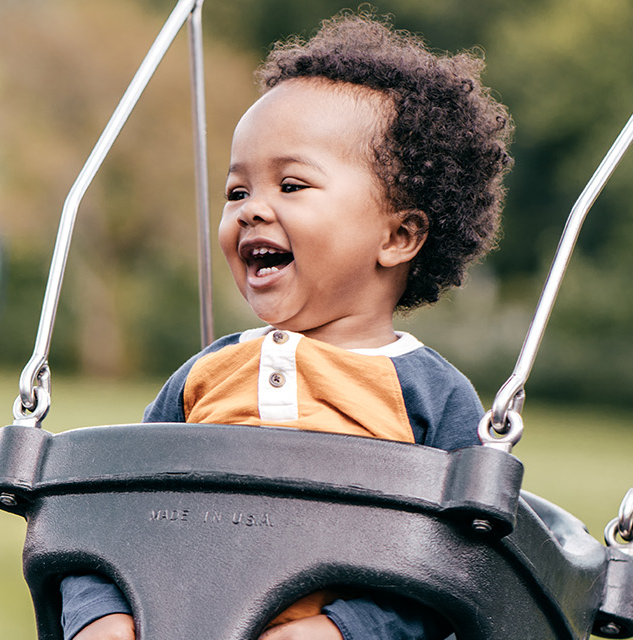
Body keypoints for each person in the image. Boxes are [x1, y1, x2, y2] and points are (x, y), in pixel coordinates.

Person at [62, 12, 513, 640]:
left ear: (399, 235)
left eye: (291, 183)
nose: (251, 211)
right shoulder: (205, 376)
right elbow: (112, 513)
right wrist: (100, 616)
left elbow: (460, 567)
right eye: (237, 191)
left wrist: (343, 630)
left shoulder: (430, 396)